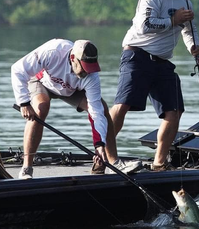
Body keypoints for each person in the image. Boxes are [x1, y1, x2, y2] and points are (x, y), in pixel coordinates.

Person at [109, 0, 199, 171]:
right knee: (122, 106)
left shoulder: (185, 3)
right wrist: (173, 20)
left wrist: (194, 49)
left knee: (175, 111)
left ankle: (159, 163)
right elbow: (144, 26)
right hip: (137, 56)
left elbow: (189, 30)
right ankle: (103, 152)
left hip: (162, 63)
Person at [11, 38, 141, 179]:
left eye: (90, 67)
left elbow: (95, 112)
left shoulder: (91, 75)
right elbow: (18, 70)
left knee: (102, 109)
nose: (87, 72)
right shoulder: (53, 52)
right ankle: (26, 168)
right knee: (41, 109)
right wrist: (24, 103)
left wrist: (99, 144)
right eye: (84, 66)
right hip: (42, 82)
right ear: (73, 58)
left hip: (70, 89)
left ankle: (114, 163)